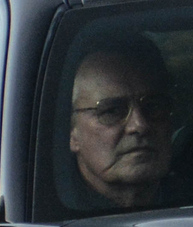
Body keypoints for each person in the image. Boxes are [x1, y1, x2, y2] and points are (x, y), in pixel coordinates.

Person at [68, 36, 176, 210]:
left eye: (153, 106)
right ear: (72, 134)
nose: (139, 125)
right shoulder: (43, 214)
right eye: (112, 111)